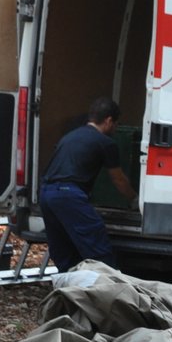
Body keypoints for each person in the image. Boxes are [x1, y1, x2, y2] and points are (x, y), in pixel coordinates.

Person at [37, 97, 137, 272]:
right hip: (68, 195)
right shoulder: (106, 143)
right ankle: (109, 287)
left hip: (46, 192)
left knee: (63, 248)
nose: (115, 129)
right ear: (108, 120)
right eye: (116, 124)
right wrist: (135, 200)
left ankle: (69, 289)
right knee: (96, 243)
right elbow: (118, 179)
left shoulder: (70, 136)